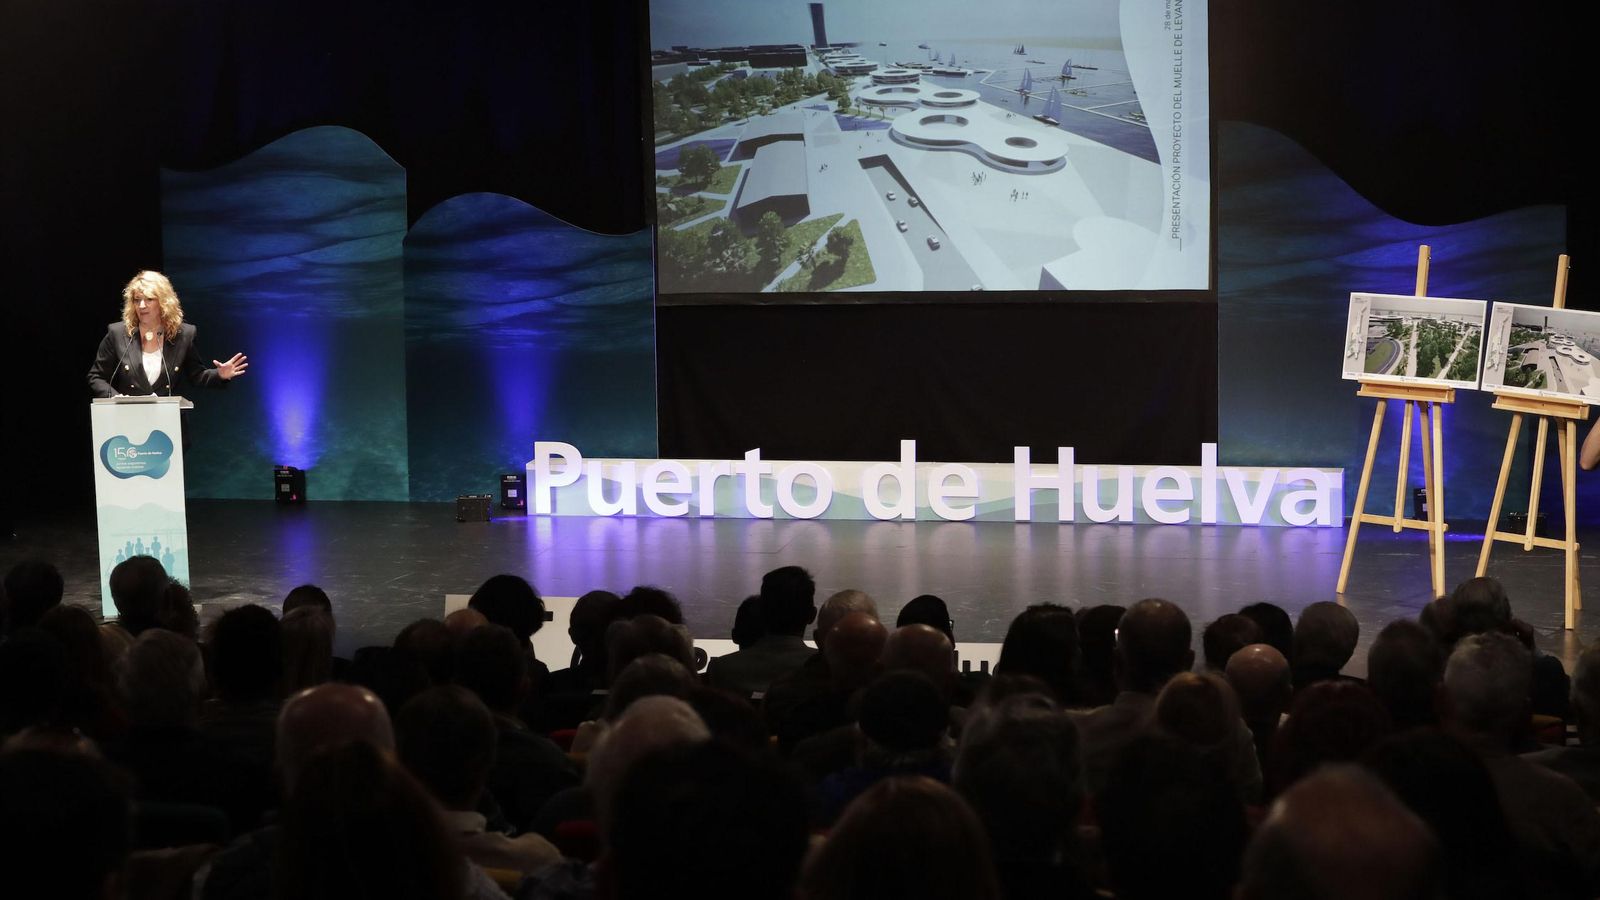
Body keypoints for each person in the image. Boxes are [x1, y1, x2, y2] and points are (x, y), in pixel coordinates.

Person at [86, 270, 246, 398]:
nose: (141, 305)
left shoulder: (184, 334)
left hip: (167, 427)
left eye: (149, 299)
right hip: (128, 424)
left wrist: (220, 374)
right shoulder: (118, 333)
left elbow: (197, 376)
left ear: (163, 302)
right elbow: (96, 377)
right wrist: (116, 398)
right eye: (137, 300)